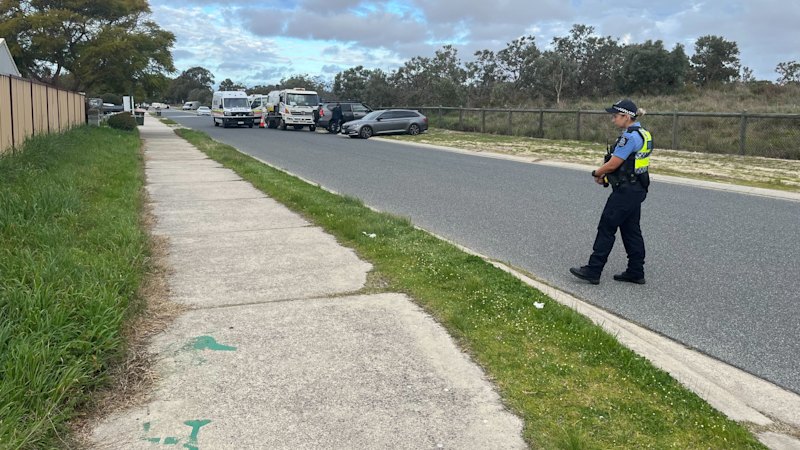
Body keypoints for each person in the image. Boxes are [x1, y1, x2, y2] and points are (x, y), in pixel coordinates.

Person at [570, 99, 652, 285]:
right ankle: (636, 271)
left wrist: (597, 172)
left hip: (625, 191)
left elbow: (615, 163)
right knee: (631, 230)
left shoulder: (629, 137)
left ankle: (593, 270)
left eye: (615, 116)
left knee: (606, 227)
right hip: (637, 188)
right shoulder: (645, 134)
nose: (613, 120)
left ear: (626, 117)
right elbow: (630, 165)